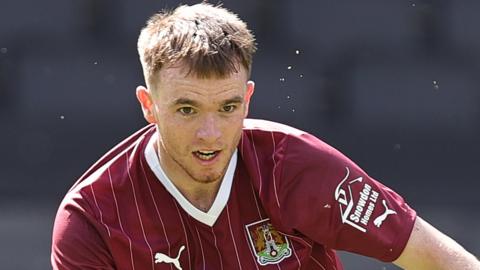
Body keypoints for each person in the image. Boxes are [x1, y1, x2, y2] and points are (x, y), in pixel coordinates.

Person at [51, 3, 479, 270]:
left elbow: (441, 262)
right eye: (186, 109)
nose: (210, 133)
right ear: (148, 106)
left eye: (228, 107)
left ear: (248, 100)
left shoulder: (294, 167)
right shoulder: (90, 221)